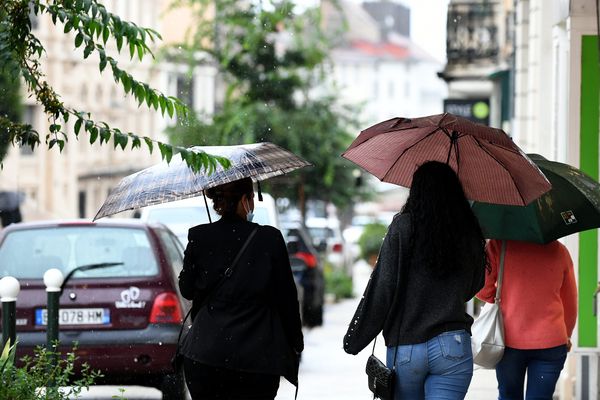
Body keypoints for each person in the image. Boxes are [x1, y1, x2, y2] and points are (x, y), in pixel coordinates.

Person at [344, 161, 488, 399]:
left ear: (417, 191)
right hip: (452, 344)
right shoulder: (467, 230)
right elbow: (475, 285)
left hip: (407, 347)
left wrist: (357, 337)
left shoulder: (403, 227)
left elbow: (384, 287)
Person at [178, 177, 303, 400]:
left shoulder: (199, 237)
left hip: (205, 354)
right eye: (252, 197)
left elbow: (186, 289)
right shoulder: (269, 239)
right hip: (257, 358)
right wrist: (295, 343)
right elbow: (287, 299)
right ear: (245, 200)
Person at [476, 239, 577, 400]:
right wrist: (568, 334)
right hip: (551, 341)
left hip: (508, 341)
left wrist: (501, 297)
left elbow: (481, 287)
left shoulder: (498, 245)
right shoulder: (560, 250)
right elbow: (570, 301)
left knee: (508, 396)